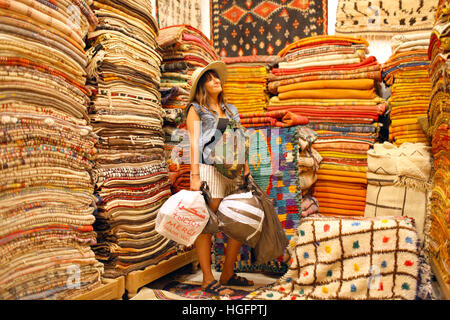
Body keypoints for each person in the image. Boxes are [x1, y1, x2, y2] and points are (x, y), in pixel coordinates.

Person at [185, 61, 254, 296]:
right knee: (206, 222)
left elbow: (241, 139)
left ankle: (227, 273)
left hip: (233, 173)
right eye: (211, 78)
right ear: (202, 86)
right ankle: (207, 278)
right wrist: (194, 176)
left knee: (239, 220)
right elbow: (194, 144)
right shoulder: (196, 109)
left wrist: (246, 170)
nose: (217, 81)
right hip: (210, 170)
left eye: (218, 78)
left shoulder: (231, 109)